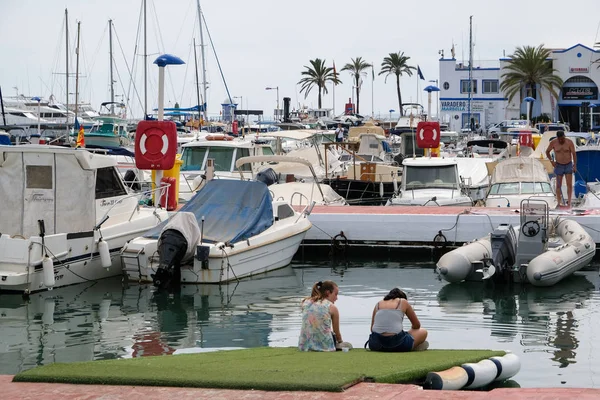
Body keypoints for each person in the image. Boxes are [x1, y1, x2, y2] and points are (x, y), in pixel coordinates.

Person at [367, 288, 428, 352]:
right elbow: (416, 325)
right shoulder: (403, 301)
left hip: (375, 345)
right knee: (423, 331)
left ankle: (410, 343)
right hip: (398, 344)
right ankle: (412, 345)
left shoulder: (378, 304)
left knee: (404, 334)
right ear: (402, 297)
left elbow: (372, 329)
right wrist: (411, 332)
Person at [298, 280, 342, 352]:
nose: (336, 298)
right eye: (335, 294)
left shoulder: (305, 302)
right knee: (348, 345)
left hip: (304, 347)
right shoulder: (332, 307)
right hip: (326, 347)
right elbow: (337, 334)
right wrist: (340, 342)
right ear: (328, 293)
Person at [545, 130, 577, 207]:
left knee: (569, 184)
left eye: (562, 139)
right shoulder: (553, 143)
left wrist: (575, 165)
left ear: (564, 137)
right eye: (560, 139)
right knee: (558, 186)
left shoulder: (569, 142)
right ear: (558, 138)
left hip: (568, 164)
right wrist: (552, 161)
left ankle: (569, 202)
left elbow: (574, 154)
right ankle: (559, 203)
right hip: (558, 165)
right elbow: (547, 152)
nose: (561, 140)